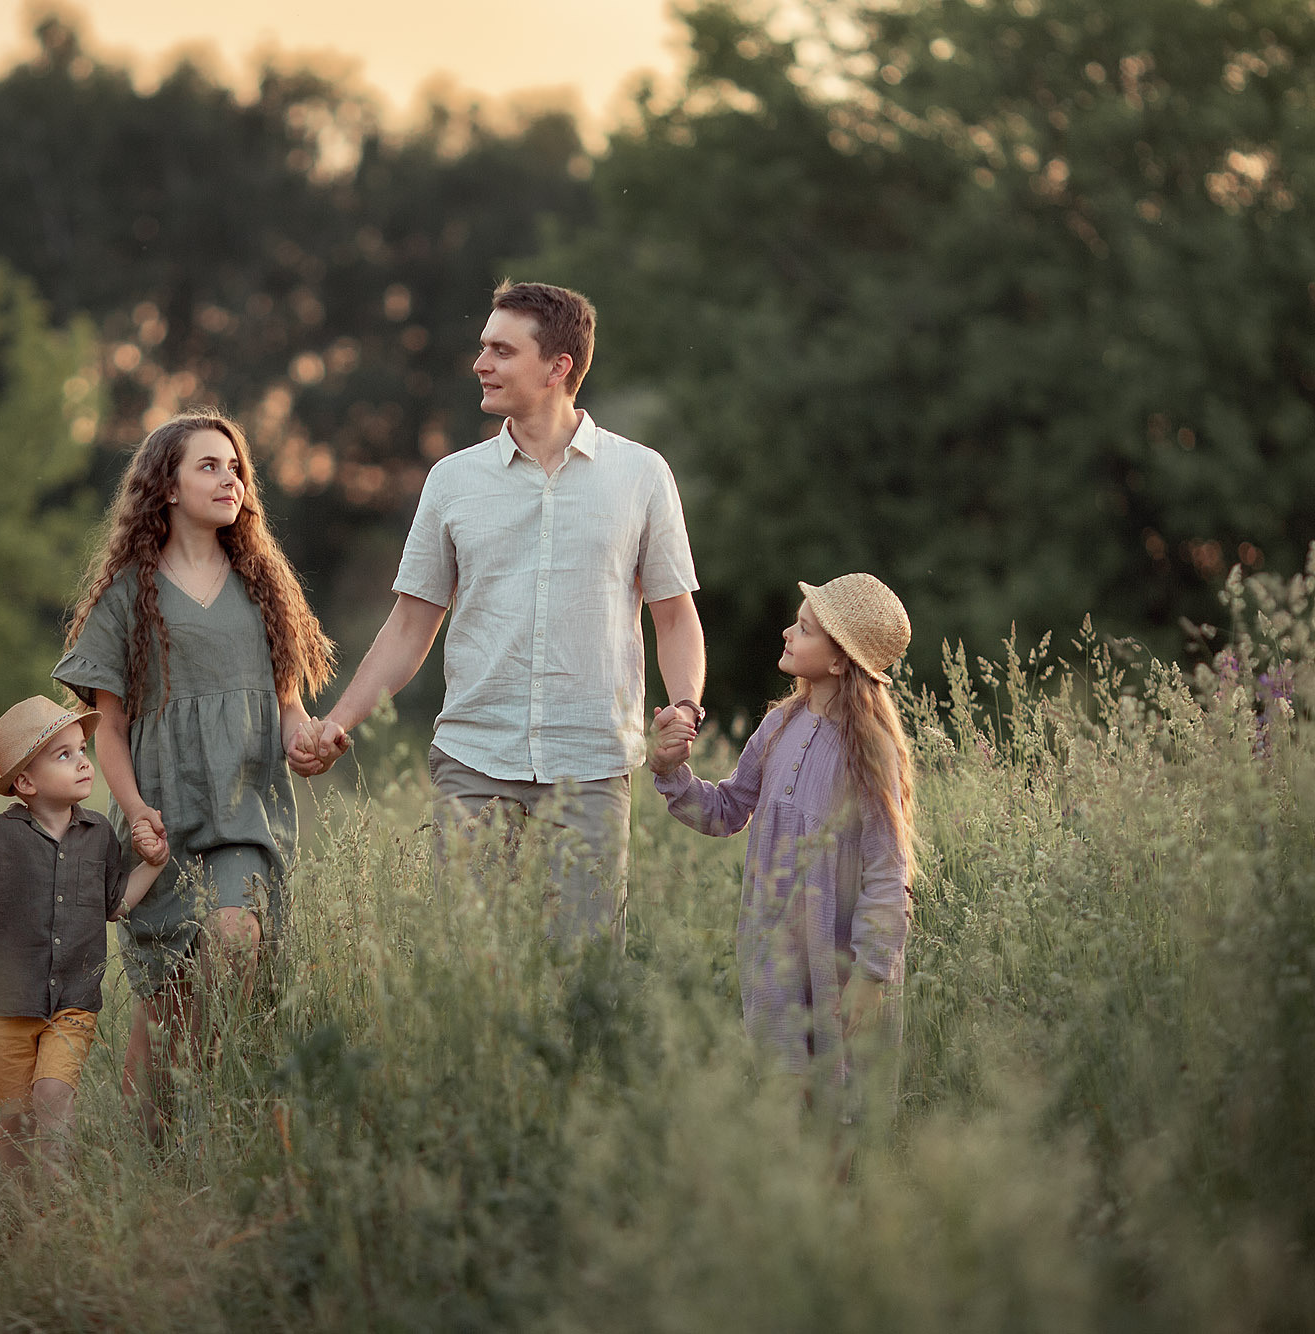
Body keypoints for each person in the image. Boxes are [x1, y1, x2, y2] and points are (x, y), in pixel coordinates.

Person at [312, 280, 706, 945]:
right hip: (474, 760)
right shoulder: (452, 480)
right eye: (483, 347)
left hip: (590, 765)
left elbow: (674, 616)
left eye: (502, 350)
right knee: (471, 967)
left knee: (584, 973)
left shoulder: (641, 475)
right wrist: (337, 722)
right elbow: (410, 624)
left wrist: (686, 707)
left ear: (558, 367)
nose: (481, 364)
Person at [53, 408, 336, 1139]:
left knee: (235, 939)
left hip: (245, 815)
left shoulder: (262, 584)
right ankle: (148, 1143)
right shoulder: (129, 593)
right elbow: (109, 729)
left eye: (235, 468)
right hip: (162, 819)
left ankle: (218, 1107)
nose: (229, 479)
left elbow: (288, 705)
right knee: (168, 994)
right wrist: (134, 810)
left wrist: (308, 737)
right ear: (168, 486)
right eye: (209, 466)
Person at [647, 573, 915, 1126]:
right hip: (773, 951)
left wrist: (871, 975)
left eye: (805, 629)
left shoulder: (870, 753)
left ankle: (829, 1185)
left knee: (835, 1111)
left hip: (839, 962)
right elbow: (726, 810)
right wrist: (671, 773)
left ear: (839, 662)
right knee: (782, 1098)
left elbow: (889, 873)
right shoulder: (777, 726)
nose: (788, 633)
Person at [0, 697, 168, 1183]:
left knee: (53, 1096)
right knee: (16, 1118)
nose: (83, 762)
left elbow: (115, 905)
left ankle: (58, 1200)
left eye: (82, 750)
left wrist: (153, 864)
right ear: (26, 783)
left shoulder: (99, 836)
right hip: (8, 1006)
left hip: (73, 1001)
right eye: (64, 755)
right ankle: (22, 1202)